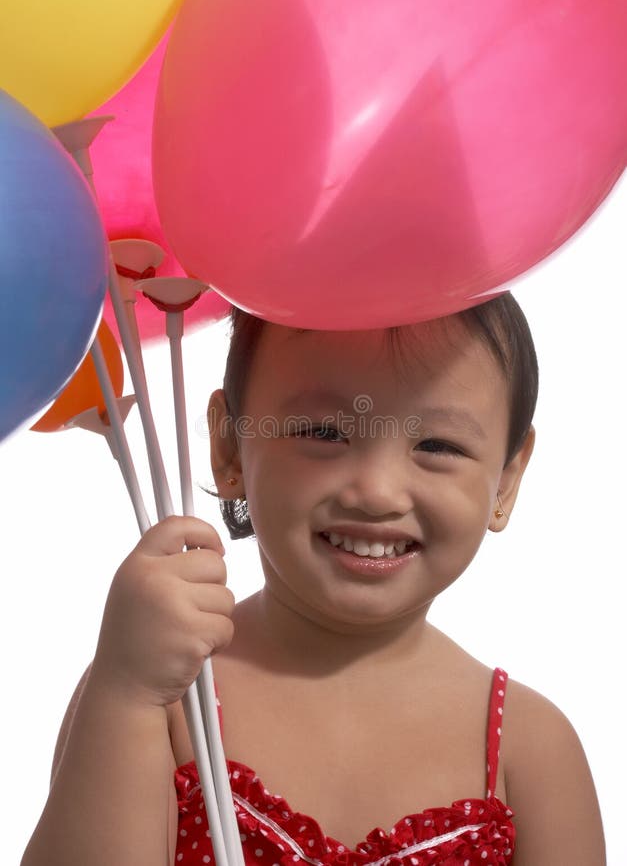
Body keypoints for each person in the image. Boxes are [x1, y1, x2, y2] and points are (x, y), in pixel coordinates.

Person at [21, 293, 605, 866]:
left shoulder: (530, 752)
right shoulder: (166, 695)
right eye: (324, 433)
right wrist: (127, 693)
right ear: (229, 448)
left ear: (505, 481)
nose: (376, 492)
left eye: (437, 444)